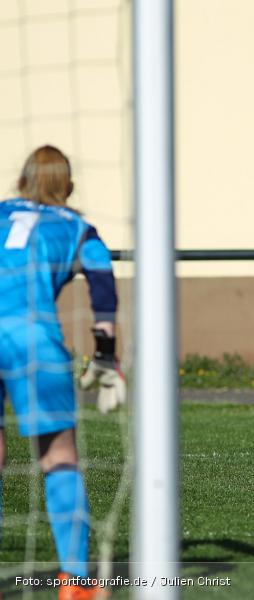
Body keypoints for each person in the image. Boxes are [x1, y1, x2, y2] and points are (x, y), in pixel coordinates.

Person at [0, 146, 125, 599]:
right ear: (67, 187)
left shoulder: (0, 213)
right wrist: (107, 357)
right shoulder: (77, 227)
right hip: (34, 341)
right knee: (58, 458)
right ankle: (77, 581)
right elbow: (103, 288)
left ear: (21, 182)